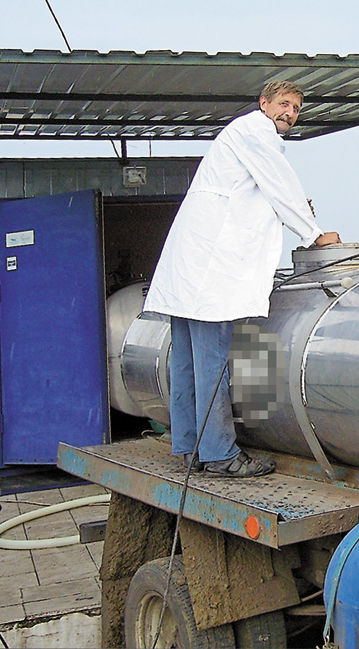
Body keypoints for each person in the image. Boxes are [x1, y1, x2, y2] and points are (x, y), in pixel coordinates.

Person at [144, 80, 340, 478]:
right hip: (210, 273)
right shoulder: (255, 132)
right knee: (212, 362)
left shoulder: (240, 137)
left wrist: (296, 210)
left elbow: (258, 195)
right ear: (264, 103)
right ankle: (218, 455)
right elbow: (280, 185)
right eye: (284, 103)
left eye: (297, 108)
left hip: (191, 270)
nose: (290, 112)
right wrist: (314, 233)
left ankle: (189, 448)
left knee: (187, 362)